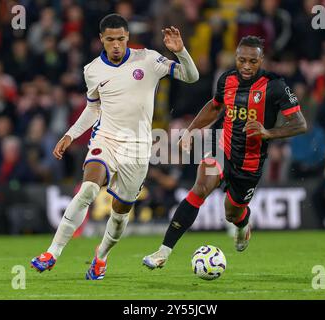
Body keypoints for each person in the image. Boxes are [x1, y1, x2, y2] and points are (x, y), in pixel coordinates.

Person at [31, 13, 199, 279]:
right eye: (110, 40)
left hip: (138, 149)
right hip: (106, 139)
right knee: (87, 189)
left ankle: (101, 257)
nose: (117, 45)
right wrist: (70, 135)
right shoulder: (92, 70)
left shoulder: (148, 59)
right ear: (102, 40)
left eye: (121, 39)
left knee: (119, 216)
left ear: (128, 37)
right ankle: (53, 252)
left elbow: (191, 76)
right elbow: (92, 108)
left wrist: (182, 53)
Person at [143, 36, 307, 269]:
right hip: (221, 148)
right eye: (242, 60)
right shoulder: (227, 80)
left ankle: (242, 226)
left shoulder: (276, 86)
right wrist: (190, 131)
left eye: (252, 61)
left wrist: (267, 133)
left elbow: (300, 124)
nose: (247, 66)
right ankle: (163, 252)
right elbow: (215, 106)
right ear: (236, 58)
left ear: (261, 60)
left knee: (233, 212)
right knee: (199, 189)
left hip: (250, 162)